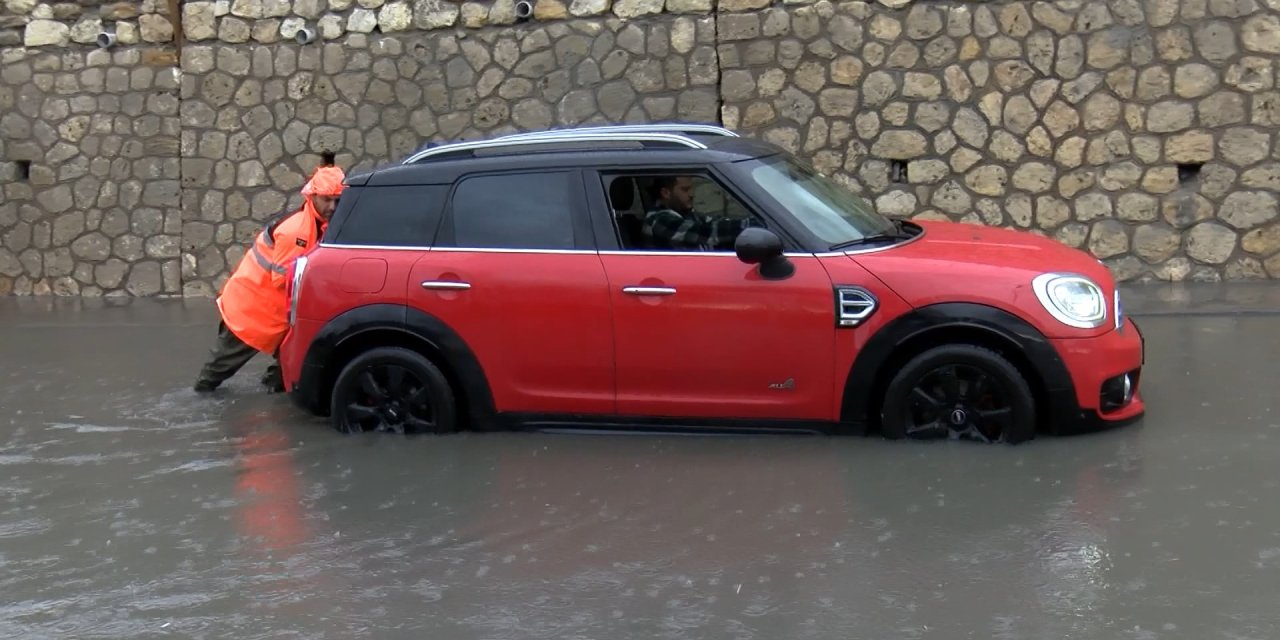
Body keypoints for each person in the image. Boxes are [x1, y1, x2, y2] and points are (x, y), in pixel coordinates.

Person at [193, 153, 346, 393]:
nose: (332, 207)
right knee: (212, 378)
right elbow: (284, 280)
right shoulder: (296, 231)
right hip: (250, 312)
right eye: (327, 200)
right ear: (313, 196)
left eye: (338, 200)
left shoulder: (316, 225)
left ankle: (274, 393)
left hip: (271, 314)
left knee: (291, 365)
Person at [641, 175, 756, 251]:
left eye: (691, 189)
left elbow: (714, 223)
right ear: (666, 192)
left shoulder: (685, 214)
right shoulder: (658, 220)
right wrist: (752, 225)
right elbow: (707, 232)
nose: (691, 194)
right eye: (685, 190)